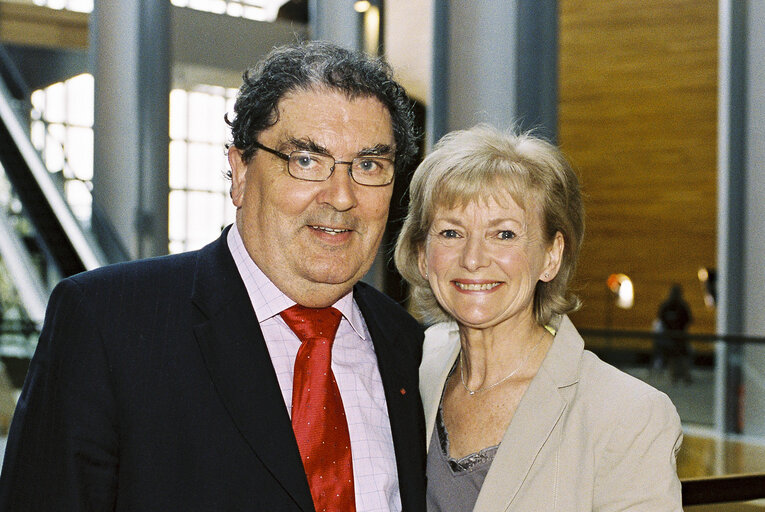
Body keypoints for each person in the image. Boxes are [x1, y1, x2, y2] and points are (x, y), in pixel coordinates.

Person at [0, 41, 427, 511]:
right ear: (240, 172)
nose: (342, 196)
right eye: (306, 160)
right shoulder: (110, 324)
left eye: (369, 165)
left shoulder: (412, 350)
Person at [394, 124, 683, 511]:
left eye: (505, 235)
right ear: (421, 255)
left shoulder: (627, 414)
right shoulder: (409, 367)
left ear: (551, 256)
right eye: (450, 233)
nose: (473, 258)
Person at [656, 284, 694, 383]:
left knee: (682, 357)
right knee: (673, 357)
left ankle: (684, 377)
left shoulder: (681, 306)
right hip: (671, 336)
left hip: (679, 336)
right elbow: (662, 319)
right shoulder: (668, 306)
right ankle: (675, 377)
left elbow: (688, 320)